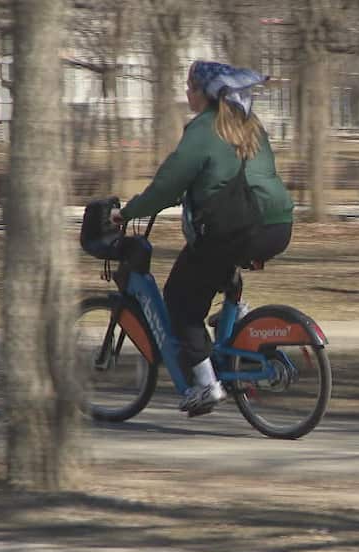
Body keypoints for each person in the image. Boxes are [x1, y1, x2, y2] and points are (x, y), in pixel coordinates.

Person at [112, 60, 294, 416]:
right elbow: (230, 177)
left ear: (204, 94)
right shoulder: (249, 124)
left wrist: (128, 212)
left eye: (190, 87)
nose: (186, 93)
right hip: (277, 225)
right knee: (213, 266)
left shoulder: (203, 130)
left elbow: (167, 184)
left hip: (238, 229)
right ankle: (235, 320)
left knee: (180, 299)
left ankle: (207, 385)